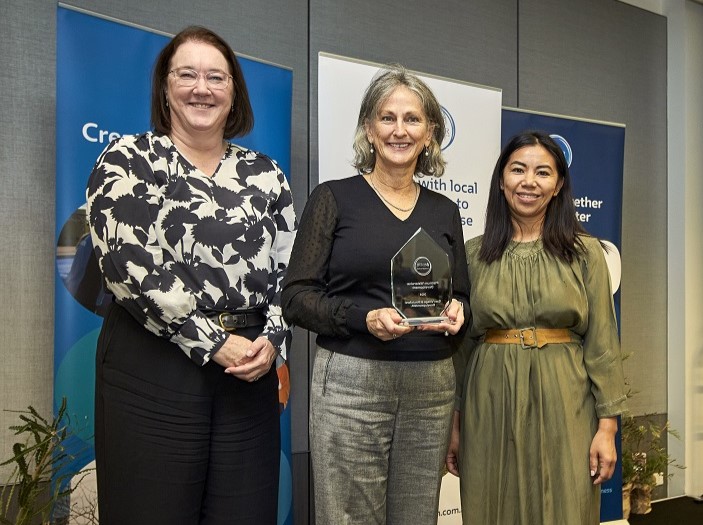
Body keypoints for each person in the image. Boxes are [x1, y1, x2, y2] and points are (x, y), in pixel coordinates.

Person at [85, 26, 296, 525]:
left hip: (249, 371)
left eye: (216, 77)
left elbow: (292, 271)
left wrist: (272, 339)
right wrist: (210, 340)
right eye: (187, 74)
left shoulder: (266, 175)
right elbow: (128, 266)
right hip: (153, 365)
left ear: (234, 92)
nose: (202, 88)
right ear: (165, 88)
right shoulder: (126, 160)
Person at [282, 64, 470, 525]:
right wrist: (362, 319)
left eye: (412, 119)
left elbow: (462, 292)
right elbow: (295, 295)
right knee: (347, 518)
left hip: (430, 388)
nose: (399, 130)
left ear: (430, 133)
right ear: (369, 128)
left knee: (416, 517)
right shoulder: (334, 198)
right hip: (351, 383)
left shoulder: (444, 211)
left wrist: (459, 311)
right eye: (387, 118)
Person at [446, 131, 628, 524]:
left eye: (542, 172)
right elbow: (460, 349)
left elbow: (602, 343)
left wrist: (607, 428)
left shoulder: (586, 253)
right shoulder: (473, 255)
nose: (529, 182)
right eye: (518, 170)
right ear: (501, 179)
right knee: (492, 504)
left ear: (559, 184)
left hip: (567, 401)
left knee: (565, 504)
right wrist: (455, 424)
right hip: (489, 402)